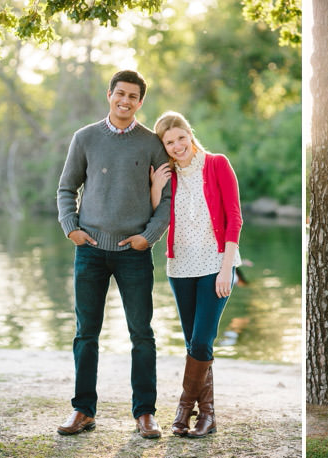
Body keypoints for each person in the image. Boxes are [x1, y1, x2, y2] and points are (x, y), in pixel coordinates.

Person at [55, 69, 171, 439]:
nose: (125, 101)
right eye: (120, 94)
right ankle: (83, 410)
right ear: (109, 95)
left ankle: (145, 413)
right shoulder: (85, 137)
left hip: (134, 253)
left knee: (141, 333)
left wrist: (149, 236)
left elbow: (167, 198)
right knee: (86, 333)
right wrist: (70, 227)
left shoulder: (152, 143)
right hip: (90, 251)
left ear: (141, 102)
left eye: (133, 97)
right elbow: (66, 187)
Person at [150, 111, 242, 438]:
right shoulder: (166, 175)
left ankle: (183, 408)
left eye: (181, 138)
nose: (177, 146)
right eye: (169, 142)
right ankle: (209, 417)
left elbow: (234, 218)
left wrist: (227, 267)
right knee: (194, 345)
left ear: (190, 134)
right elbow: (154, 218)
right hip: (180, 268)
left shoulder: (217, 164)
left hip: (217, 263)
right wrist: (156, 186)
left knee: (202, 339)